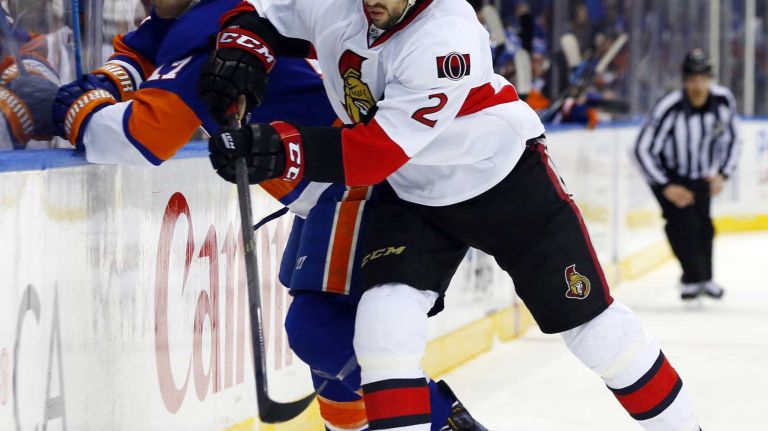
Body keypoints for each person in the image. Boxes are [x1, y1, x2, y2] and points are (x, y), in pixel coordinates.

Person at [199, 0, 702, 430]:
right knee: (382, 329)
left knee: (596, 332)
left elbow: (374, 151)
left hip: (501, 179)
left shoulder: (447, 35)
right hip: (411, 192)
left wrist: (277, 149)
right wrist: (243, 51)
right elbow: (262, 12)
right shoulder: (341, 3)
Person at [49, 1, 481, 430]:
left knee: (319, 329)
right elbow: (141, 54)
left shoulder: (208, 34)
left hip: (352, 182)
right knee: (334, 351)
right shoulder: (217, 16)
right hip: (338, 185)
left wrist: (68, 108)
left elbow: (136, 137)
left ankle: (445, 423)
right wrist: (104, 82)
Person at [634, 48, 740, 301]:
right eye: (693, 79)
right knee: (683, 225)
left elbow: (733, 140)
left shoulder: (723, 101)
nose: (698, 85)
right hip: (669, 174)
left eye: (703, 78)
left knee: (704, 227)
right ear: (684, 80)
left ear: (711, 78)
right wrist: (665, 185)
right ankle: (692, 279)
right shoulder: (670, 106)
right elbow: (641, 149)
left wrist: (723, 174)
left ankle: (704, 278)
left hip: (702, 174)